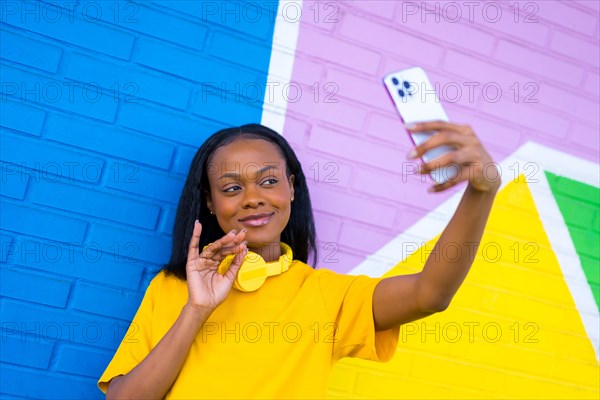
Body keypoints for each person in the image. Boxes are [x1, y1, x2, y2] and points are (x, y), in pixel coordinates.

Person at [98, 122, 500, 399]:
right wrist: (196, 310)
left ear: (292, 188)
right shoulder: (173, 290)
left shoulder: (325, 295)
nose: (253, 197)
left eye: (269, 181)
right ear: (209, 202)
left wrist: (482, 191)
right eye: (232, 187)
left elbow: (430, 293)